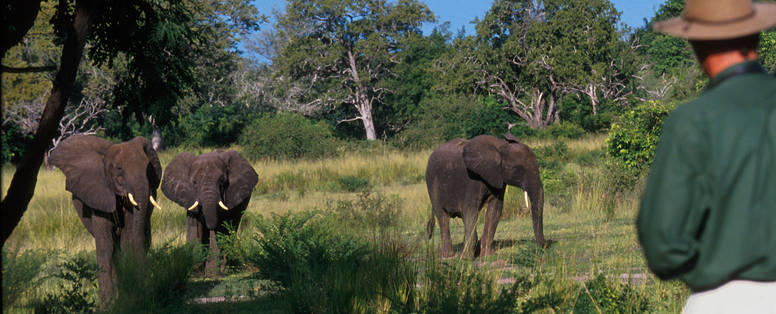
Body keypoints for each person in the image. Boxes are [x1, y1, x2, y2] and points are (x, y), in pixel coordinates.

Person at [637, 0, 776, 313]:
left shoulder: (693, 121)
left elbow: (663, 245)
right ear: (755, 35)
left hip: (724, 298)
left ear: (697, 44)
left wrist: (713, 270)